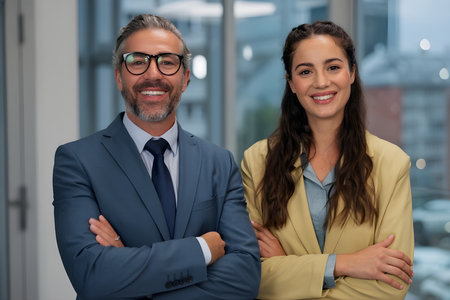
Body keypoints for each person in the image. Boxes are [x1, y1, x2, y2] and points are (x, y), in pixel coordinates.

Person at [53, 14, 260, 300]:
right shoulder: (77, 162)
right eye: (138, 62)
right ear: (119, 77)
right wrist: (201, 249)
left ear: (185, 78)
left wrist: (129, 272)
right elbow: (91, 275)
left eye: (168, 62)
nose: (153, 74)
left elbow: (245, 277)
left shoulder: (219, 163)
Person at [241, 21, 414, 299]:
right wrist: (344, 264)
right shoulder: (257, 161)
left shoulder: (391, 163)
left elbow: (391, 283)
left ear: (352, 73)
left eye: (333, 67)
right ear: (291, 83)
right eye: (305, 71)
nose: (321, 81)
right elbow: (252, 275)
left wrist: (291, 269)